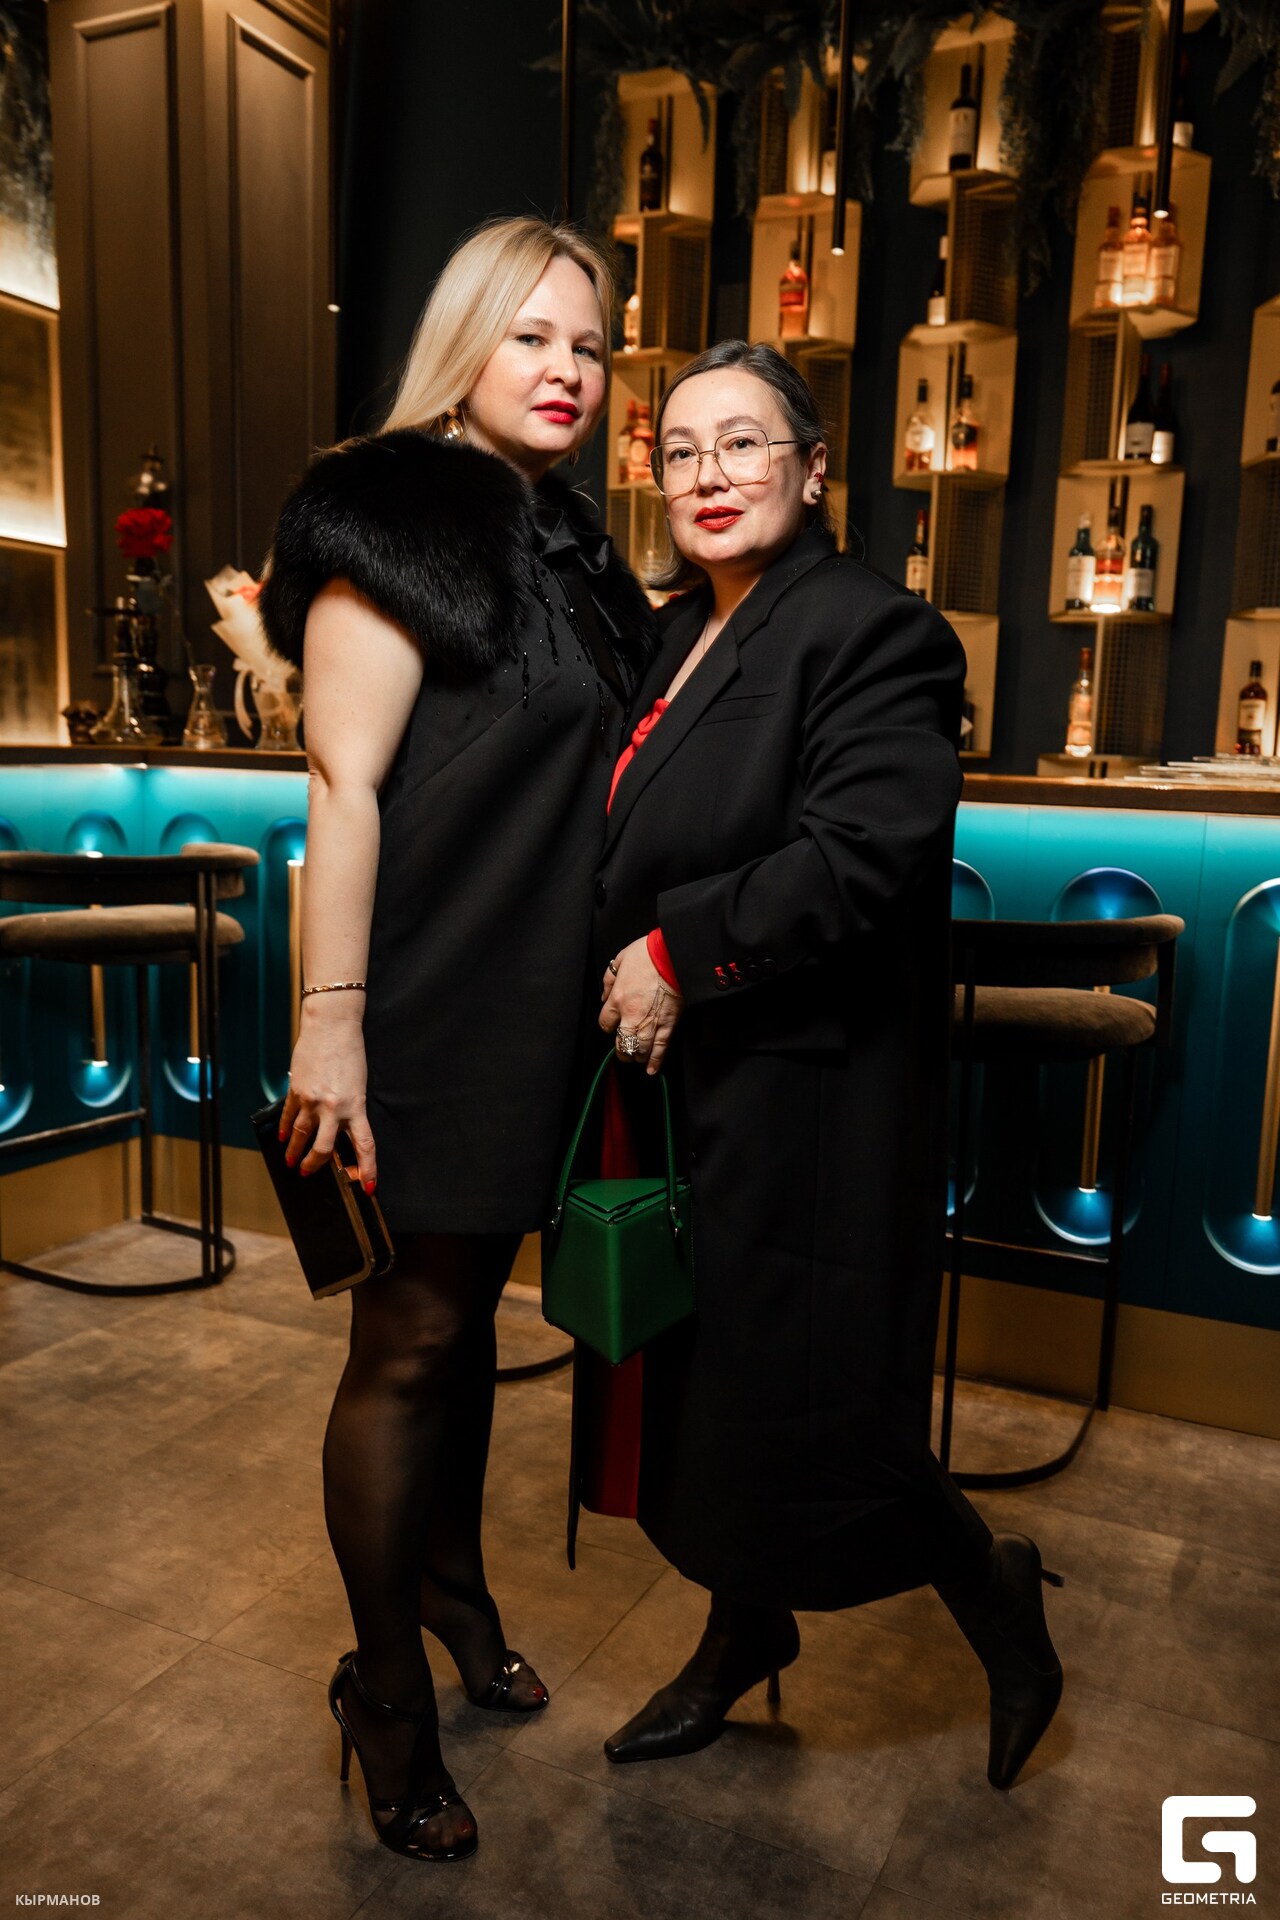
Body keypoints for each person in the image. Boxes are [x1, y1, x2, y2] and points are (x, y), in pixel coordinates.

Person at [591, 340, 1063, 1793]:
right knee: (715, 1386)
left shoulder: (877, 629)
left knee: (819, 1406)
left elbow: (865, 852)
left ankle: (998, 1600)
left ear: (809, 465)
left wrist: (676, 950)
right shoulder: (676, 632)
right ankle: (742, 1634)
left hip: (812, 1092)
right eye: (680, 451)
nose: (708, 474)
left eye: (743, 443)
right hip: (696, 1086)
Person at [257, 216, 654, 1865]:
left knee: (470, 1327)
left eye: (591, 345)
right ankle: (385, 1697)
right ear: (466, 341)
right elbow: (343, 788)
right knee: (410, 1342)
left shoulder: (577, 551)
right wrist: (331, 1033)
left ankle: (456, 1592)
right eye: (532, 336)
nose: (566, 370)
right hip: (417, 1000)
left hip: (537, 1003)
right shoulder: (389, 514)